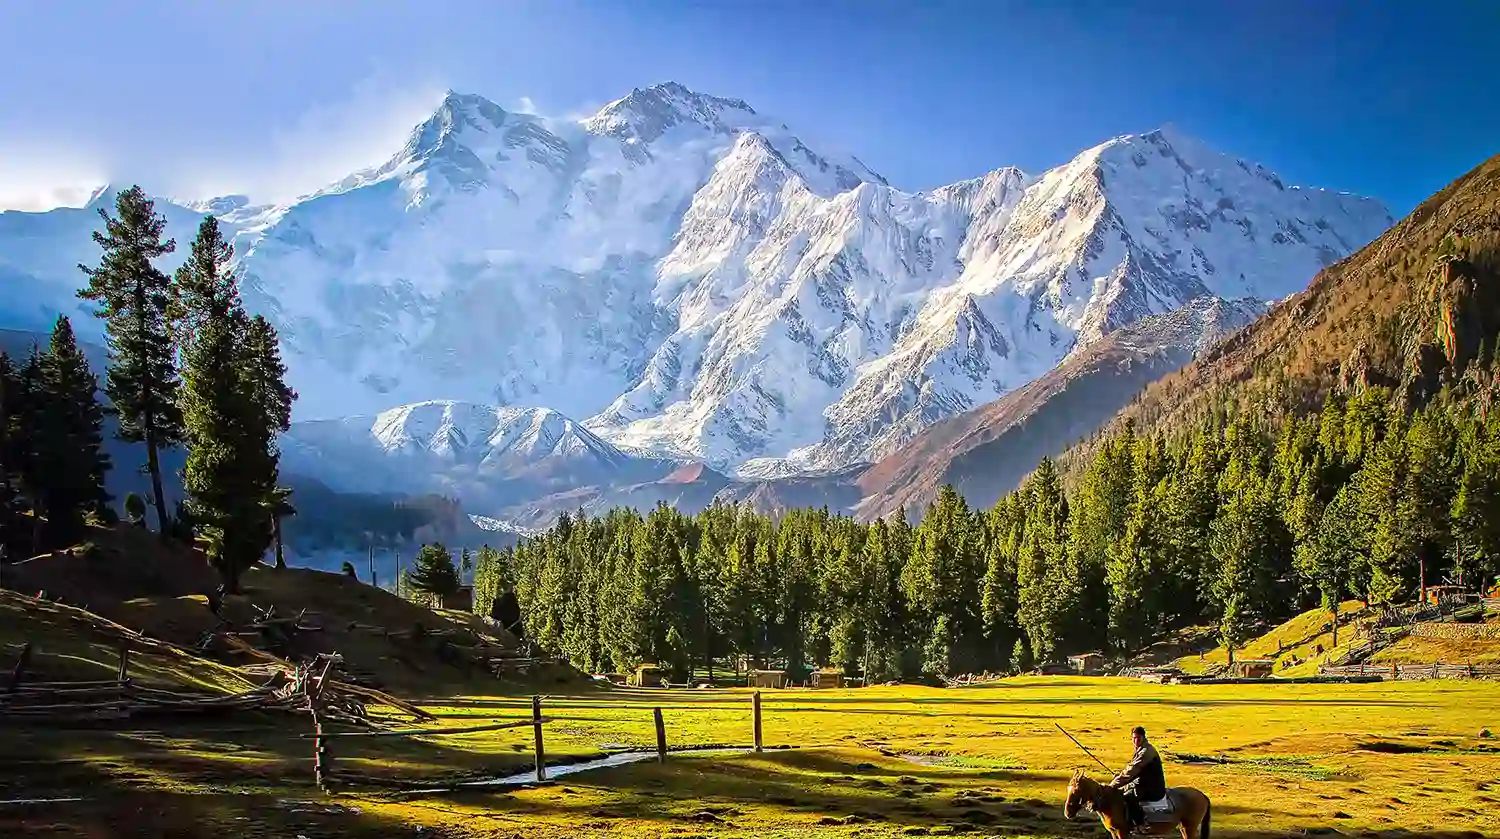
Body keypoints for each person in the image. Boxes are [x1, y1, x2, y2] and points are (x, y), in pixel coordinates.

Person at [1110, 726, 1167, 830]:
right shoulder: (1141, 749)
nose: (1136, 741)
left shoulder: (1146, 752)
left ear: (1143, 737)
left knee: (1128, 797)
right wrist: (1119, 776)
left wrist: (1112, 785)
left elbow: (1132, 770)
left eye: (1138, 738)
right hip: (1143, 783)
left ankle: (1140, 824)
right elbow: (1131, 770)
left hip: (1151, 787)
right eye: (1134, 738)